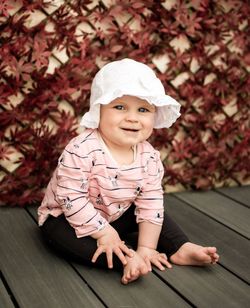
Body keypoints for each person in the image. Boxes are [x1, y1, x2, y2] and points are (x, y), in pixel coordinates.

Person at [38, 58, 219, 284]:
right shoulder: (81, 149)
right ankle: (128, 259)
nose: (132, 117)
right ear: (99, 110)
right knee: (67, 239)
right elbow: (70, 198)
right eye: (120, 107)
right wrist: (104, 233)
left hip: (116, 213)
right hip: (66, 217)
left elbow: (150, 202)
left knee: (154, 213)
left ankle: (178, 247)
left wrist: (147, 247)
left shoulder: (149, 156)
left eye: (143, 109)